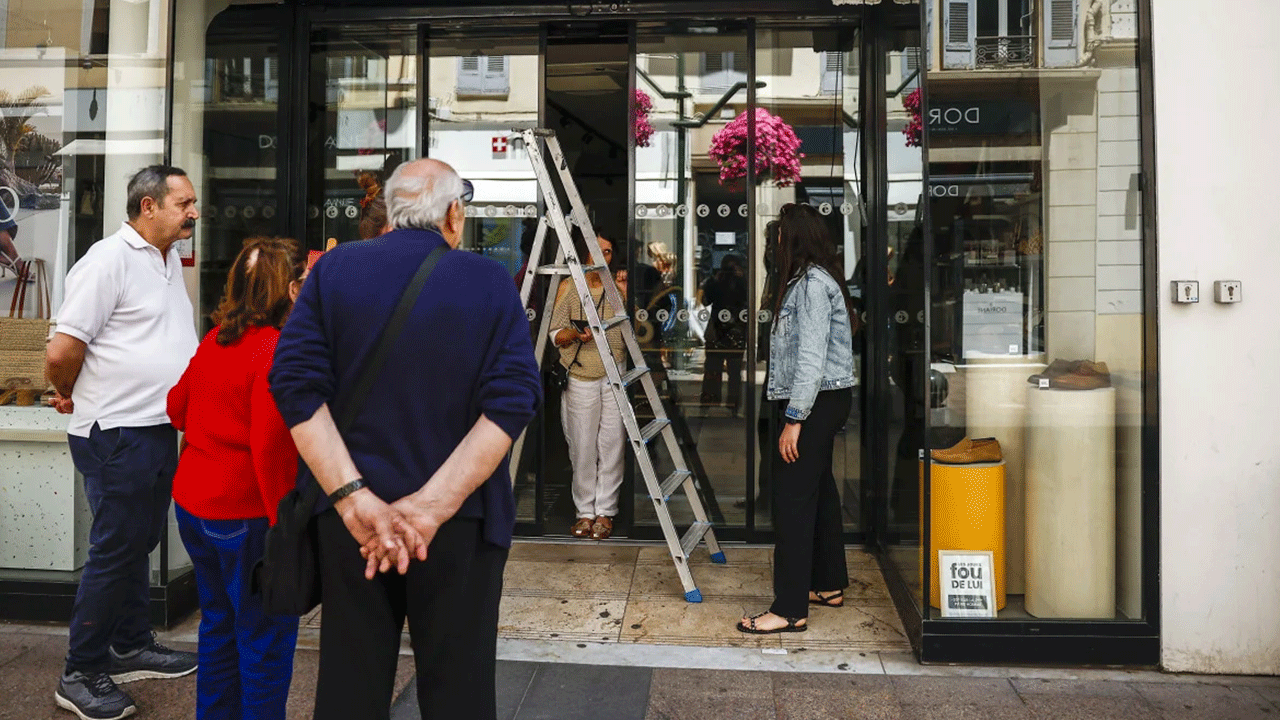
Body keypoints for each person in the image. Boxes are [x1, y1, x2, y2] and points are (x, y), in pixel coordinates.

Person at [268, 158, 541, 720]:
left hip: (352, 528)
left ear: (390, 211)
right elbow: (512, 401)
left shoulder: (334, 270)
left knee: (350, 687)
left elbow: (294, 386)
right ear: (454, 215)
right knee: (460, 691)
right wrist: (429, 510)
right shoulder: (487, 280)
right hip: (458, 524)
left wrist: (355, 500)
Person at [45, 165, 202, 720]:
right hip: (116, 432)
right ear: (148, 207)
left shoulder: (166, 259)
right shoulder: (107, 260)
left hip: (155, 427)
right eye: (184, 202)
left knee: (137, 545)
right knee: (114, 552)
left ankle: (131, 644)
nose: (194, 212)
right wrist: (68, 394)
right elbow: (63, 350)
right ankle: (80, 671)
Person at [166, 236, 308, 720]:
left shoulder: (215, 340)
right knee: (264, 638)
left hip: (194, 504)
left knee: (219, 625)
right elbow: (271, 448)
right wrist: (283, 526)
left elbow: (176, 408)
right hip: (247, 512)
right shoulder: (275, 349)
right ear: (288, 289)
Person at [737, 202, 856, 634]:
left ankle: (788, 609)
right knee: (819, 491)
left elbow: (810, 357)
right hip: (823, 397)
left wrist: (794, 418)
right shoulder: (813, 281)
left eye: (779, 236)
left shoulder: (809, 286)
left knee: (791, 502)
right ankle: (826, 584)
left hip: (813, 400)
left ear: (794, 239)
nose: (774, 244)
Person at [548, 229, 627, 540]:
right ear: (584, 255)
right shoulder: (570, 287)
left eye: (607, 252)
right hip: (580, 373)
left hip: (614, 373)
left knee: (612, 445)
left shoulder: (616, 286)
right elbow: (555, 332)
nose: (602, 257)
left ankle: (606, 513)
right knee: (582, 446)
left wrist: (624, 293)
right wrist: (574, 335)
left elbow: (630, 333)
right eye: (597, 251)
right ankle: (585, 511)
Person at [698, 253, 748, 412]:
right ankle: (731, 403)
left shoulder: (721, 281)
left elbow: (705, 300)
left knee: (714, 368)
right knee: (733, 371)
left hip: (721, 329)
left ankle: (713, 400)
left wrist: (714, 280)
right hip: (734, 329)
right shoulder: (739, 281)